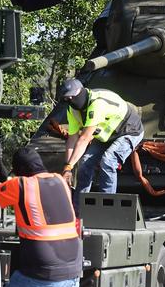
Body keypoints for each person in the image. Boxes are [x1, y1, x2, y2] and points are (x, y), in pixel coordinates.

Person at [0, 146, 81, 287]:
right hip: (71, 273)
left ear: (20, 171)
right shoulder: (60, 182)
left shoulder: (21, 185)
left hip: (40, 274)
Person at [59, 78, 144, 209]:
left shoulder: (97, 104)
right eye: (67, 98)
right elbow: (72, 140)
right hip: (106, 134)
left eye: (72, 96)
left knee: (108, 161)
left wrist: (70, 166)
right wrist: (67, 167)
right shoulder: (72, 110)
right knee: (85, 163)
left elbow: (84, 139)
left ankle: (107, 207)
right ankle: (77, 210)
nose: (70, 100)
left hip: (128, 129)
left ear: (81, 92)